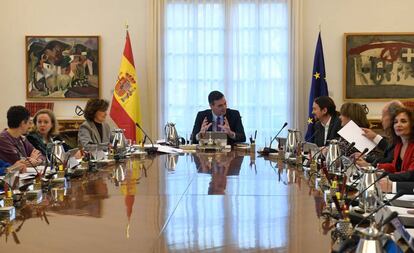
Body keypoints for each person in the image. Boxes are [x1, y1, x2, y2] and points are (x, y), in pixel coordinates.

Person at [355, 101, 404, 167]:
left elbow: (389, 162)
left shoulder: (402, 138)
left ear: (392, 117)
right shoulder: (395, 136)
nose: (381, 119)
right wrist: (375, 137)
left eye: (383, 115)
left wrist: (369, 165)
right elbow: (388, 157)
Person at [377, 107, 414, 173]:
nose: (398, 125)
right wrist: (373, 167)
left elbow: (410, 175)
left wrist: (387, 178)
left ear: (412, 124)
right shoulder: (399, 145)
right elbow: (394, 167)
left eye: (403, 121)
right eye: (395, 122)